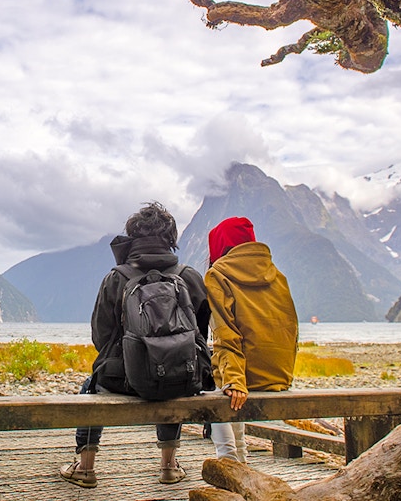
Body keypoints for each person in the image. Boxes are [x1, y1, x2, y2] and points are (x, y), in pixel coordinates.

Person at [59, 202, 212, 488]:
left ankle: (85, 467)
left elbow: (100, 336)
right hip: (179, 378)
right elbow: (199, 335)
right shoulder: (189, 276)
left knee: (91, 387)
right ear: (171, 239)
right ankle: (168, 466)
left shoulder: (117, 277)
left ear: (131, 238)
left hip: (122, 380)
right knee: (174, 371)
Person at [204, 216, 298, 462]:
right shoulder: (278, 275)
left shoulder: (217, 275)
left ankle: (228, 460)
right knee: (230, 381)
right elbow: (289, 327)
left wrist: (234, 380)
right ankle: (242, 459)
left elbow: (226, 333)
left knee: (215, 385)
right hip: (278, 376)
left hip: (245, 378)